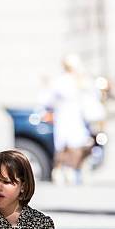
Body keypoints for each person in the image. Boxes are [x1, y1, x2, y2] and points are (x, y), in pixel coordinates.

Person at [40, 54, 99, 185]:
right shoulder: (75, 81)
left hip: (70, 118)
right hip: (72, 118)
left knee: (68, 145)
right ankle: (68, 171)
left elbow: (47, 100)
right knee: (73, 145)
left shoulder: (67, 81)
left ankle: (66, 171)